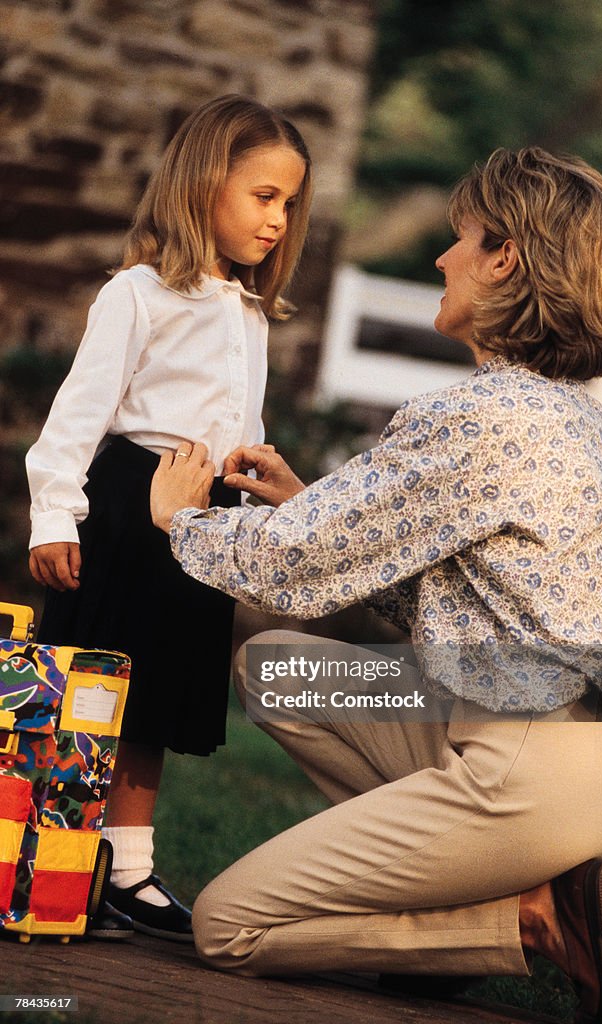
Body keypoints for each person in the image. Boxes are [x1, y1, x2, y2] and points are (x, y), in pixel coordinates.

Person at [150, 148, 602, 1022]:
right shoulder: (585, 424)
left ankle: (522, 921)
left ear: (505, 258)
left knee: (230, 925)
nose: (441, 258)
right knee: (279, 666)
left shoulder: (470, 416)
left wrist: (177, 519)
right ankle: (467, 898)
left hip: (527, 774)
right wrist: (311, 504)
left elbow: (285, 565)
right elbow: (465, 600)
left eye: (461, 240)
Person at [25, 94, 312, 941]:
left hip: (204, 522)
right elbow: (80, 414)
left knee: (154, 700)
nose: (278, 219)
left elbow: (239, 420)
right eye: (264, 196)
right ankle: (49, 859)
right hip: (126, 507)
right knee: (94, 696)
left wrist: (251, 481)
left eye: (290, 204)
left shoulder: (253, 312)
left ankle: (130, 875)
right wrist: (54, 516)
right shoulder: (138, 295)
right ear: (203, 184)